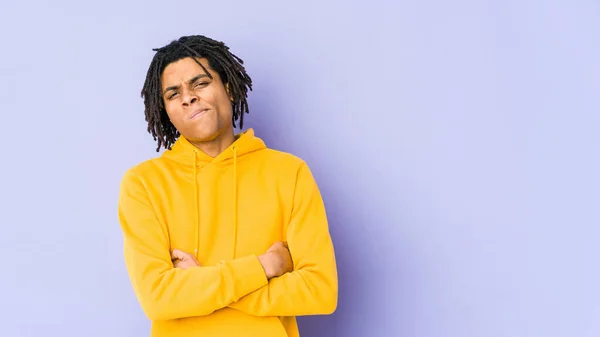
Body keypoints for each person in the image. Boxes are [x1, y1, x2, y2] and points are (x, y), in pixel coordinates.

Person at [117, 35, 338, 337]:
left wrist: (201, 285)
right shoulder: (143, 184)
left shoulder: (289, 173)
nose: (188, 97)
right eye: (173, 94)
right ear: (166, 110)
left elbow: (319, 291)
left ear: (229, 89)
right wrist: (264, 266)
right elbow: (158, 299)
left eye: (200, 83)